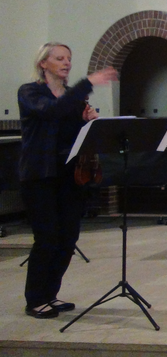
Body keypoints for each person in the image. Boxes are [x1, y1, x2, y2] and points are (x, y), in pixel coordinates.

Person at [18, 42, 117, 318]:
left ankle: (50, 294)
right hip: (40, 175)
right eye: (60, 58)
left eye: (69, 58)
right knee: (47, 238)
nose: (66, 63)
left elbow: (74, 133)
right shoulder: (30, 92)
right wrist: (88, 83)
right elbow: (51, 111)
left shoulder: (73, 98)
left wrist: (87, 121)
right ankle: (35, 299)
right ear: (43, 63)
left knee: (68, 238)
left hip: (70, 176)